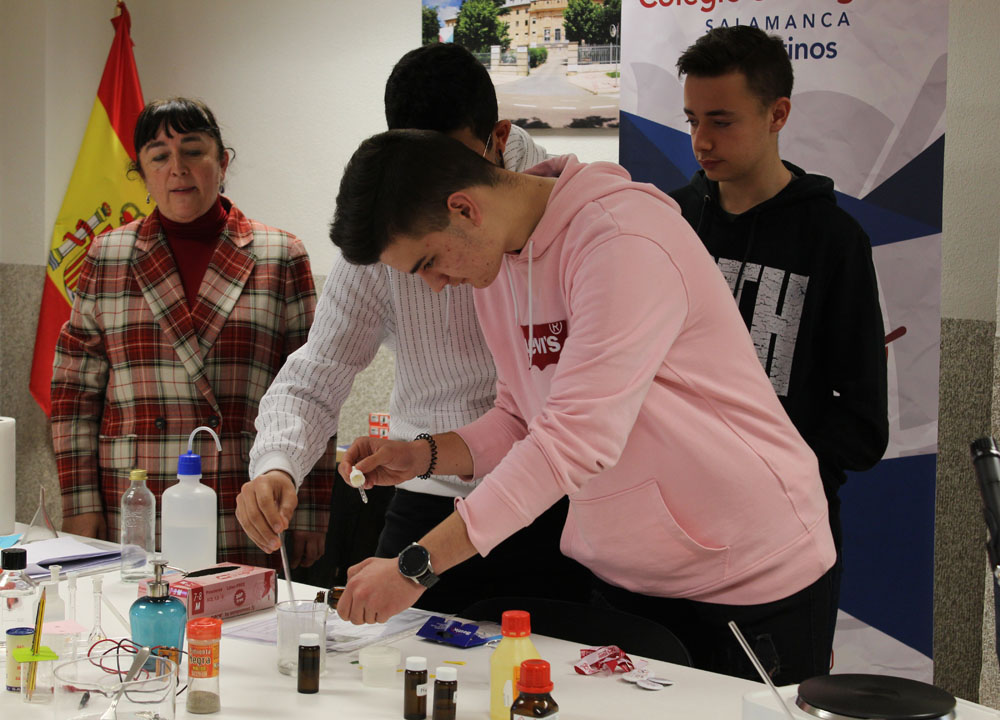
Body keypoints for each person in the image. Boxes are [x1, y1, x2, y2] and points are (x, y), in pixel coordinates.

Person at [326, 128, 837, 685]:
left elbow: (574, 439)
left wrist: (415, 566)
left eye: (427, 261)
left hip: (748, 574)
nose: (433, 285)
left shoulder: (622, 239)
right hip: (628, 576)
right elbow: (521, 419)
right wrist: (421, 455)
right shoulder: (497, 264)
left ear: (464, 208)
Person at [236, 43, 591, 612]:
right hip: (430, 495)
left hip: (554, 502)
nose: (440, 204)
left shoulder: (568, 208)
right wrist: (278, 464)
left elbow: (573, 426)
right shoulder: (390, 218)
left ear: (497, 140)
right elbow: (316, 371)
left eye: (454, 179)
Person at [668, 26, 889, 637]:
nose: (700, 141)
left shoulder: (834, 242)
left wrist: (770, 472)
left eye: (721, 120)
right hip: (664, 542)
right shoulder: (666, 223)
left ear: (778, 114)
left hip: (780, 551)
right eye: (690, 119)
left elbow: (864, 425)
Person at [50, 97, 336, 570]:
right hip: (138, 495)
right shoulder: (108, 255)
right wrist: (79, 502)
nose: (177, 168)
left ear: (222, 162)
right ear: (142, 175)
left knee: (239, 633)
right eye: (159, 156)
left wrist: (312, 509)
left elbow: (314, 391)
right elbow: (73, 392)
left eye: (193, 150)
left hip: (245, 498)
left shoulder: (279, 255)